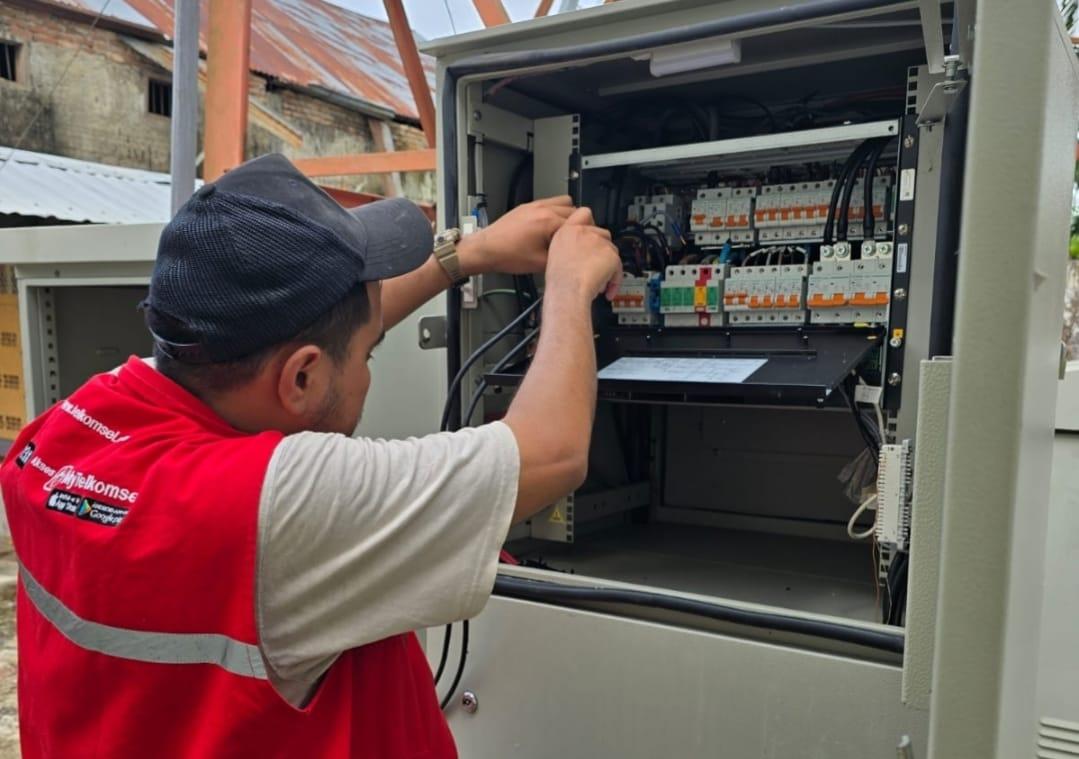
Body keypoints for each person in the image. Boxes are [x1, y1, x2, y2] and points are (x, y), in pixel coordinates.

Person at [0, 153, 622, 758]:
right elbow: (553, 450)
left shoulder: (70, 427)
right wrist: (569, 286)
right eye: (367, 357)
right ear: (299, 379)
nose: (369, 363)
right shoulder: (268, 509)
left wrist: (464, 256)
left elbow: (326, 338)